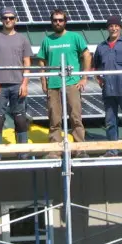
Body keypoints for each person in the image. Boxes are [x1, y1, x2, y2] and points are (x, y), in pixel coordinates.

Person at [36, 8, 91, 158]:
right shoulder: (47, 40)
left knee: (75, 117)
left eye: (60, 20)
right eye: (55, 20)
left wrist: (84, 77)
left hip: (72, 83)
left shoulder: (75, 37)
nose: (58, 22)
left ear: (65, 22)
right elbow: (41, 60)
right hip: (53, 84)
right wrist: (43, 79)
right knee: (54, 118)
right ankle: (55, 150)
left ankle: (79, 148)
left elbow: (86, 55)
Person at [0, 7, 32, 160]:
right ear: (1, 20)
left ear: (15, 19)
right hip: (0, 85)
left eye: (11, 18)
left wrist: (25, 83)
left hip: (17, 84)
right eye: (5, 18)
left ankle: (23, 152)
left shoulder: (23, 39)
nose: (8, 20)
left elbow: (27, 63)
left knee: (20, 118)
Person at [93, 15, 122, 157]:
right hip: (108, 90)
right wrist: (99, 79)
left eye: (116, 26)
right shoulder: (101, 47)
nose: (113, 28)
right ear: (107, 28)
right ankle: (112, 150)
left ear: (120, 27)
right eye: (111, 26)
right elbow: (95, 67)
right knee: (110, 122)